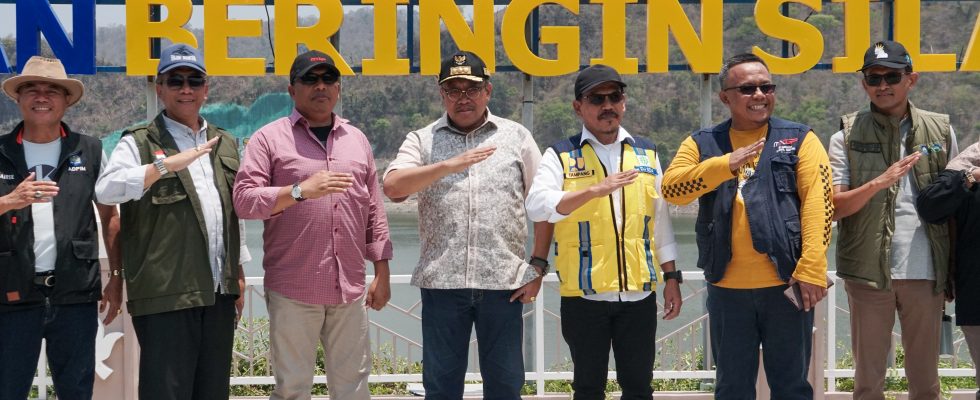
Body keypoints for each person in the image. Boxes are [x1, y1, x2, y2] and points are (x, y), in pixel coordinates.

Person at [662, 53, 833, 399]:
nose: (759, 95)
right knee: (732, 388)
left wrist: (812, 268)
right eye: (747, 89)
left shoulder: (800, 138)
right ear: (725, 97)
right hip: (727, 289)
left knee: (792, 387)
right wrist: (725, 164)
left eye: (766, 87)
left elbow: (820, 204)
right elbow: (672, 189)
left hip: (787, 285)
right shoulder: (701, 142)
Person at [382, 51, 550, 399]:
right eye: (453, 90)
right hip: (442, 285)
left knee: (505, 387)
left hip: (504, 285)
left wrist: (537, 265)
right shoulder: (423, 139)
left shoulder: (516, 136)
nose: (463, 98)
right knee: (441, 388)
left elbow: (543, 205)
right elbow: (393, 187)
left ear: (488, 91)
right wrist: (447, 165)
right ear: (441, 94)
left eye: (471, 89)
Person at [233, 50, 393, 400]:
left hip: (349, 288)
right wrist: (299, 191)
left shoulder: (357, 140)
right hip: (294, 288)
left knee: (354, 389)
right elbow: (244, 200)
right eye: (310, 79)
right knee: (292, 389)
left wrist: (382, 272)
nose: (321, 86)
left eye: (328, 79)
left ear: (338, 88)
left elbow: (374, 211)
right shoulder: (268, 139)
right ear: (292, 90)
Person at [95, 43, 250, 400]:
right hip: (166, 294)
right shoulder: (139, 142)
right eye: (175, 80)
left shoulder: (224, 142)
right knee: (166, 392)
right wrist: (164, 166)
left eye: (194, 81)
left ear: (206, 88)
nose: (185, 89)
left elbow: (231, 212)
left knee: (212, 391)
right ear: (159, 88)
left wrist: (238, 271)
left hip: (218, 292)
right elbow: (106, 190)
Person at [524, 64, 682, 399]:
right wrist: (593, 191)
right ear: (578, 106)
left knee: (639, 387)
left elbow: (660, 221)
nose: (607, 105)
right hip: (585, 296)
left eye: (615, 97)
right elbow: (536, 206)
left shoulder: (647, 152)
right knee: (587, 388)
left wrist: (672, 278)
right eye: (597, 99)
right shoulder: (561, 154)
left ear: (624, 102)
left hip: (639, 294)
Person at [831, 40, 957, 400]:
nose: (883, 85)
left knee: (926, 383)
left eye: (892, 76)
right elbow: (835, 207)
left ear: (911, 79)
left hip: (926, 271)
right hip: (867, 272)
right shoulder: (845, 135)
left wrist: (952, 269)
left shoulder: (940, 131)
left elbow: (954, 204)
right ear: (864, 83)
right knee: (868, 382)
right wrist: (879, 182)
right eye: (874, 78)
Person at [0, 56, 122, 400]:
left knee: (77, 392)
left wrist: (117, 277)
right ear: (18, 98)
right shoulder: (1, 150)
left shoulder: (91, 150)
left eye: (52, 90)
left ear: (67, 100)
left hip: (75, 295)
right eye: (32, 89)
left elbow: (111, 216)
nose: (42, 96)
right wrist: (9, 200)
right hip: (10, 294)